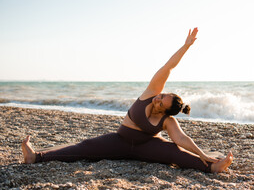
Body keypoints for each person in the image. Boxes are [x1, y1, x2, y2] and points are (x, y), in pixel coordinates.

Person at [21, 28, 233, 173]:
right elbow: (169, 67)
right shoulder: (151, 91)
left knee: (174, 152)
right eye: (162, 96)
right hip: (119, 141)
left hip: (147, 147)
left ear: (166, 112)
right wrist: (186, 46)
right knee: (84, 147)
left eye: (161, 103)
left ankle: (212, 167)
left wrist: (203, 154)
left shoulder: (168, 121)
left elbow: (182, 140)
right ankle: (35, 157)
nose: (158, 99)